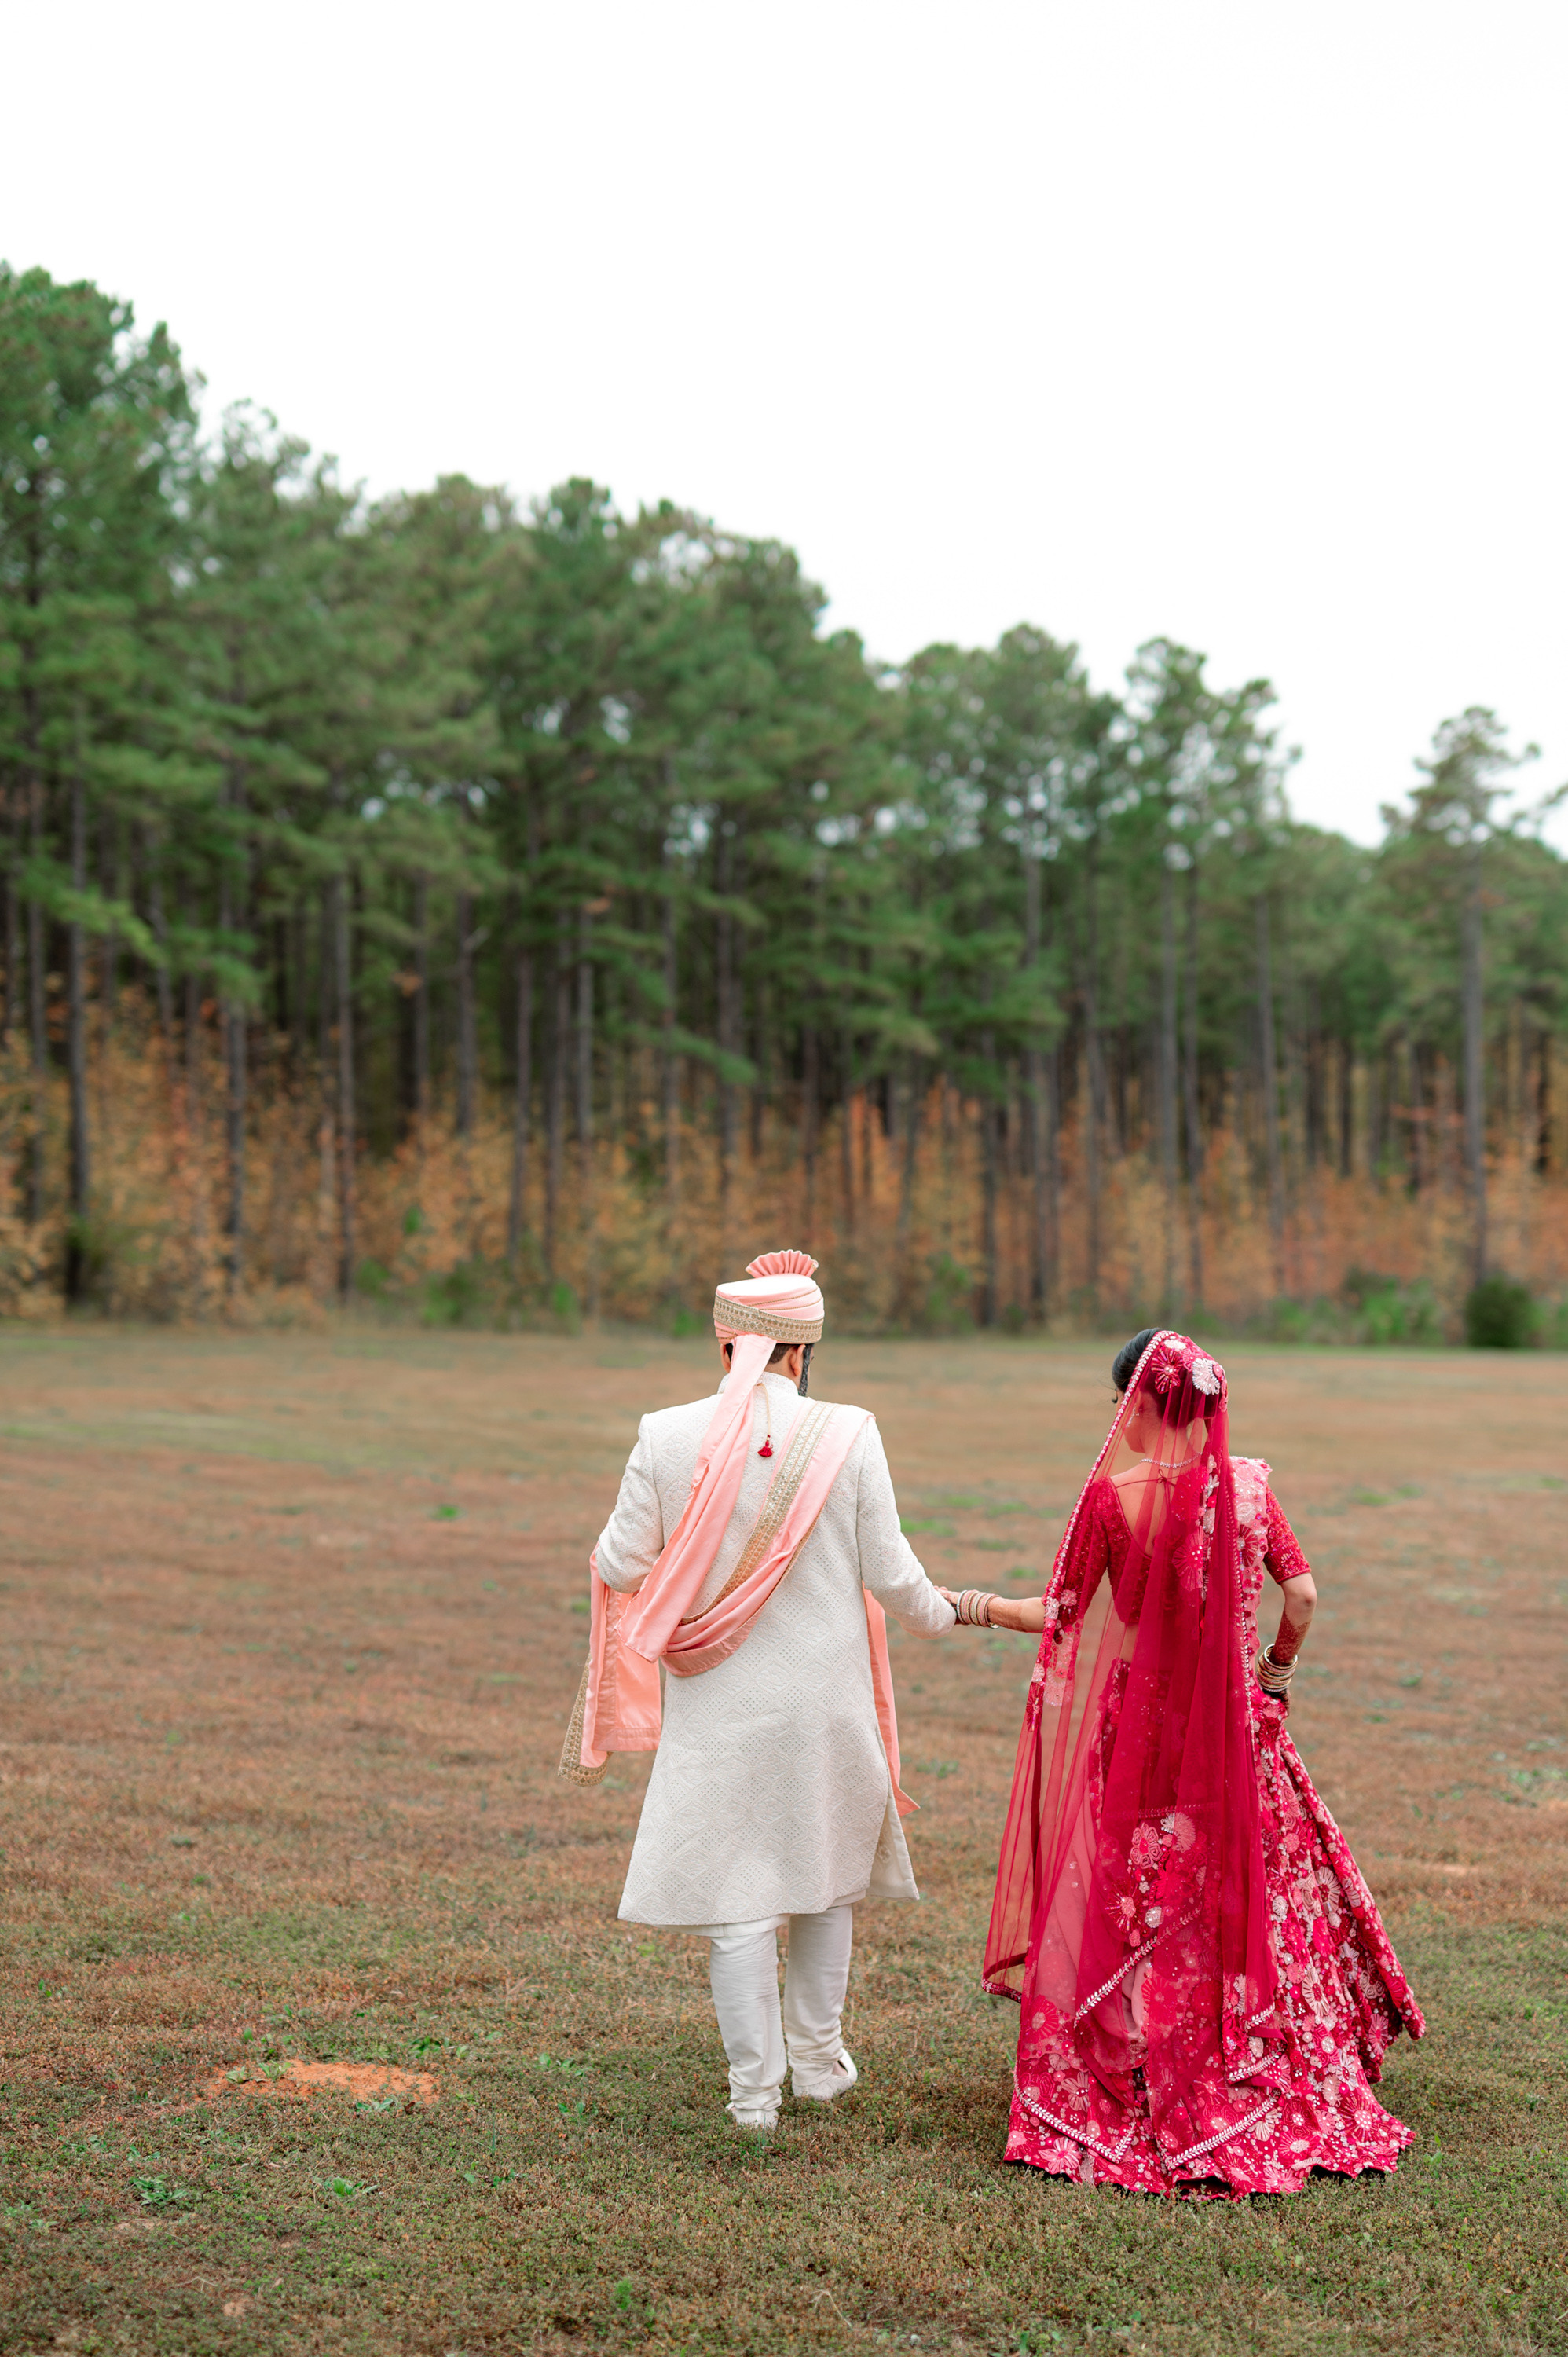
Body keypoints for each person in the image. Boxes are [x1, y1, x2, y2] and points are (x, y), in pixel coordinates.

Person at [941, 1327, 1424, 2197]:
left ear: (1140, 1402)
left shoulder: (1113, 1498)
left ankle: (1141, 2059)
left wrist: (964, 1605)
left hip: (1149, 1727)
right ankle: (1267, 2052)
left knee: (1145, 1887)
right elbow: (1304, 1595)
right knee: (1254, 1882)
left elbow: (1058, 1610)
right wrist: (1274, 1670)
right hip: (1239, 1725)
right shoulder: (1248, 1487)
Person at [560, 1249, 955, 2133]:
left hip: (718, 1704)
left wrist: (692, 1560)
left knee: (737, 1906)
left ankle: (753, 2100)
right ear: (801, 1350)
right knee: (822, 1887)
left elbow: (620, 1562)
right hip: (826, 1706)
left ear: (725, 1343)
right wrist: (965, 1610)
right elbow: (897, 1584)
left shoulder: (664, 1434)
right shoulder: (850, 1431)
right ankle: (816, 2068)